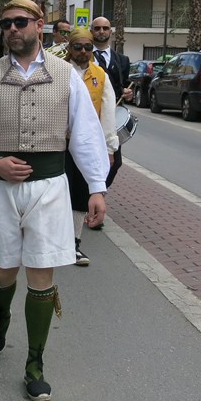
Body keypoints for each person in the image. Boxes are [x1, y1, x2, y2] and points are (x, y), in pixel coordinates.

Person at [0, 0, 108, 401]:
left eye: (20, 22)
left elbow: (86, 134)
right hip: (1, 188)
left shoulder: (65, 75)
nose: (12, 29)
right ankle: (1, 319)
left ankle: (35, 364)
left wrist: (96, 187)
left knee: (42, 274)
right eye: (5, 23)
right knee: (3, 271)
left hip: (50, 187)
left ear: (39, 25)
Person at [64, 28, 122, 266]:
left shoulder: (101, 75)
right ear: (70, 48)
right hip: (59, 143)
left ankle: (74, 244)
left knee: (80, 192)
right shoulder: (59, 71)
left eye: (88, 47)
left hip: (86, 144)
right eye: (78, 47)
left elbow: (108, 114)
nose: (83, 51)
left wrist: (109, 149)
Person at [88, 16, 132, 229]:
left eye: (105, 28)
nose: (101, 32)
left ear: (111, 32)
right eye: (97, 28)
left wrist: (127, 93)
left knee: (115, 162)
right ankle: (90, 203)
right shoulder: (84, 54)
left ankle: (97, 195)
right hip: (88, 118)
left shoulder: (122, 60)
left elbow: (123, 86)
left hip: (109, 119)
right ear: (91, 31)